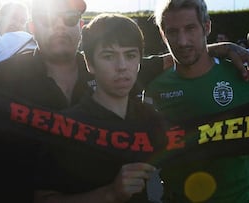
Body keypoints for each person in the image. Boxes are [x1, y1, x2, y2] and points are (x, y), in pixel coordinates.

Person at [0, 0, 249, 201]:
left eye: (68, 18)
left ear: (79, 24)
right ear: (31, 25)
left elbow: (171, 55)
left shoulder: (116, 78)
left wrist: (223, 48)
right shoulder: (0, 78)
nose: (59, 28)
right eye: (47, 19)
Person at [145, 0, 249, 202]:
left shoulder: (244, 76)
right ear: (163, 35)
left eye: (190, 28)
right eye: (173, 32)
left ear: (206, 27)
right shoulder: (154, 90)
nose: (182, 41)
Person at [34, 13, 166, 203]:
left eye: (130, 55)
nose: (121, 66)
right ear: (89, 63)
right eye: (108, 56)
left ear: (139, 61)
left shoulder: (152, 120)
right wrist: (110, 193)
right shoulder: (65, 128)